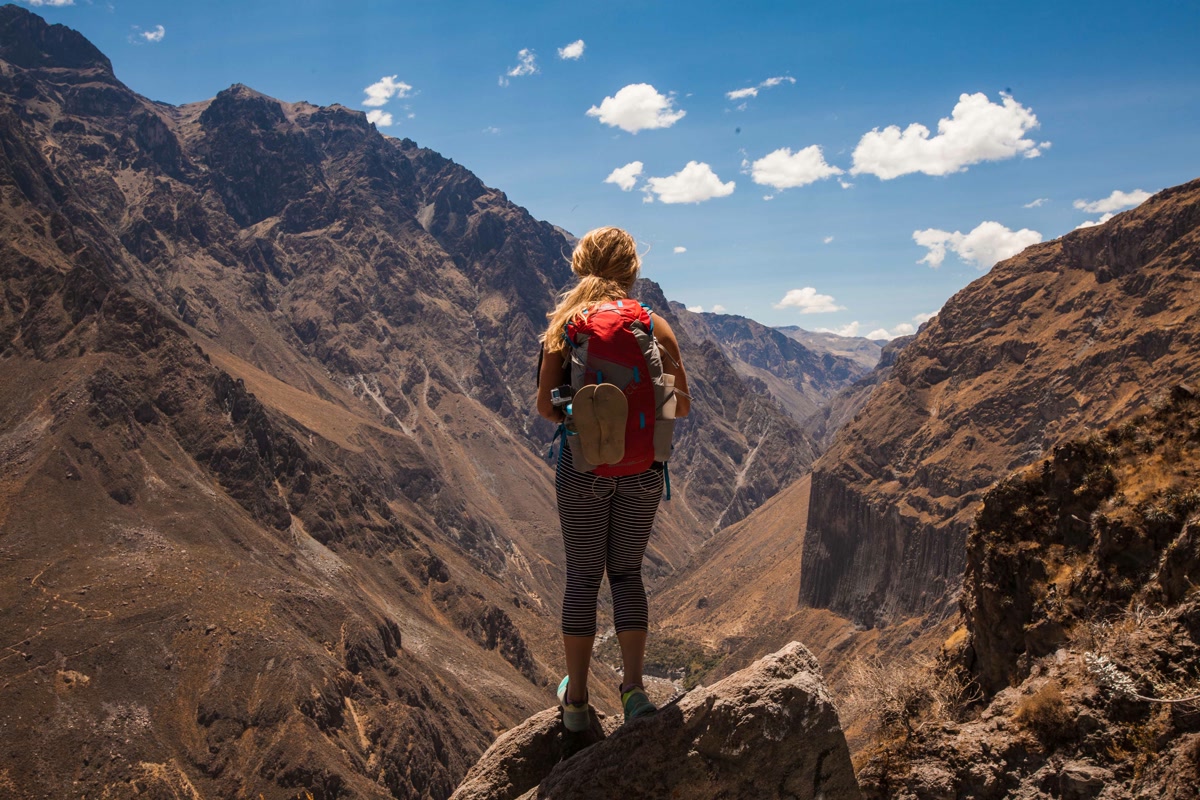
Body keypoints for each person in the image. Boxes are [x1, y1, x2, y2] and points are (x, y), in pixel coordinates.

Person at [536, 226, 690, 732]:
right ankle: (634, 692)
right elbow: (683, 405)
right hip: (644, 470)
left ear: (581, 266)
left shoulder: (567, 326)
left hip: (583, 469)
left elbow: (545, 407)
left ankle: (577, 703)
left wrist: (589, 417)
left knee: (583, 576)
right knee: (626, 573)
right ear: (632, 270)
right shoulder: (655, 326)